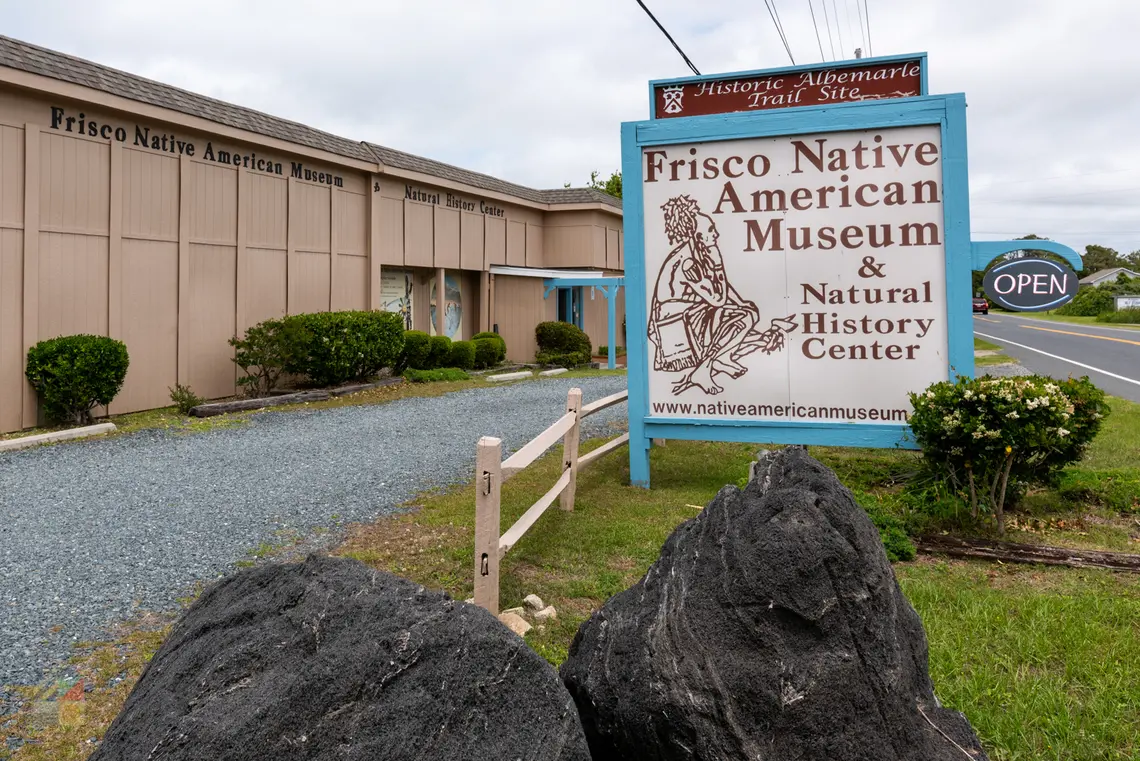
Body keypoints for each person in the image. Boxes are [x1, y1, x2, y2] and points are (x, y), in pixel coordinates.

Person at [648, 195, 794, 396]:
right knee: (742, 318)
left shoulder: (696, 254)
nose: (715, 234)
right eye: (710, 230)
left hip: (688, 316)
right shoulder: (688, 263)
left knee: (746, 314)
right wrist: (718, 264)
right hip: (673, 326)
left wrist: (742, 303)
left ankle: (722, 358)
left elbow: (720, 287)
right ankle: (704, 369)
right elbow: (717, 299)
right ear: (696, 235)